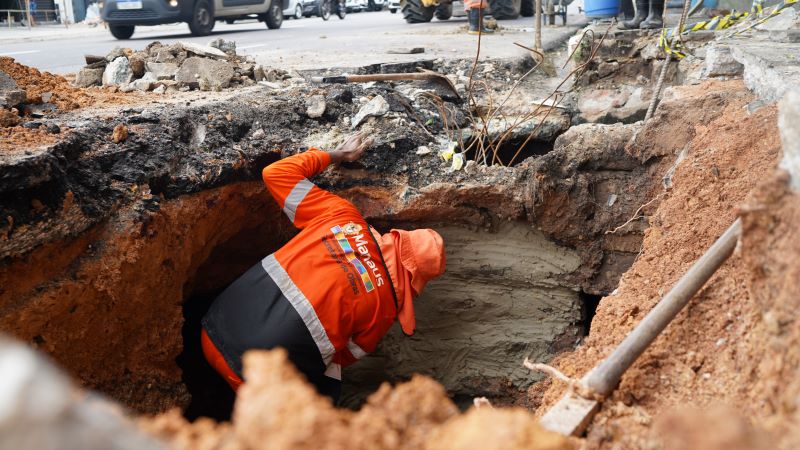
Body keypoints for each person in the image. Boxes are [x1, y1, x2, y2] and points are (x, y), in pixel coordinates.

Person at [200, 133, 446, 403]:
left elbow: (276, 173)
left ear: (397, 237)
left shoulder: (342, 216)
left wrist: (337, 155)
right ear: (413, 281)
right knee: (329, 383)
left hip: (212, 327)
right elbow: (343, 356)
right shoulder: (384, 311)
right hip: (254, 380)